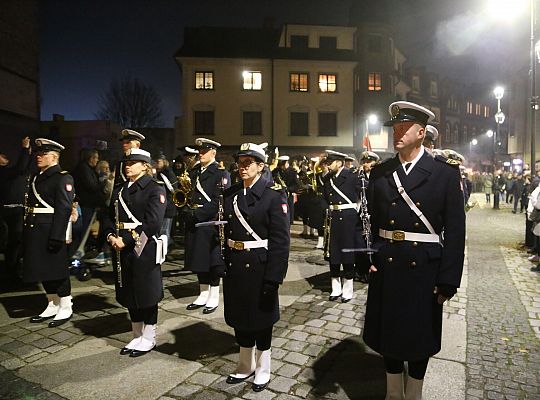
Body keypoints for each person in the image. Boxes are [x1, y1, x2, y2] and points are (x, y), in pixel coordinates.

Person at [363, 101, 466, 399]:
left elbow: (456, 231)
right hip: (388, 265)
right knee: (389, 334)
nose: (397, 133)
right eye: (395, 127)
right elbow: (369, 221)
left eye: (404, 128)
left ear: (421, 132)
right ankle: (393, 393)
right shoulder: (381, 172)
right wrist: (367, 256)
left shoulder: (444, 174)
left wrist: (449, 278)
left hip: (425, 267)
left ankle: (415, 393)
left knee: (420, 335)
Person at [223, 142, 290, 392]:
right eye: (240, 163)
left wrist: (274, 277)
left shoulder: (274, 195)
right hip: (235, 264)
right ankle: (244, 365)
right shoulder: (230, 195)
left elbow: (281, 241)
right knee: (240, 318)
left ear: (261, 166)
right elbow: (223, 232)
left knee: (261, 321)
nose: (242, 167)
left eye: (248, 163)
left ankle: (263, 368)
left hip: (260, 266)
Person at [103, 148, 167, 357]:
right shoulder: (120, 189)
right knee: (129, 291)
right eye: (126, 162)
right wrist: (111, 236)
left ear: (145, 166)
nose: (127, 165)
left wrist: (127, 239)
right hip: (119, 246)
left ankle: (149, 337)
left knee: (146, 292)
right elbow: (108, 217)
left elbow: (153, 223)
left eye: (133, 162)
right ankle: (136, 335)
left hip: (143, 247)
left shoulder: (154, 189)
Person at [24, 139, 75, 327]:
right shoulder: (38, 176)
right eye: (38, 153)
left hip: (51, 229)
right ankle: (52, 303)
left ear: (54, 157)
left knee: (57, 270)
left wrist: (57, 235)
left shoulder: (63, 177)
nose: (38, 156)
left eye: (43, 154)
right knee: (42, 269)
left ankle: (66, 305)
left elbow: (63, 208)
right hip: (36, 228)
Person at [184, 138, 230, 314]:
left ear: (213, 153)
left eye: (204, 151)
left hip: (210, 222)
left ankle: (213, 295)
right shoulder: (194, 171)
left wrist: (198, 213)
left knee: (212, 261)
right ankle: (202, 293)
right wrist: (187, 209)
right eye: (199, 151)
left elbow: (221, 200)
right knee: (198, 259)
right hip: (195, 220)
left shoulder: (220, 173)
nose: (200, 154)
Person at [322, 150, 363, 303]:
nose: (327, 166)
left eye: (329, 163)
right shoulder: (327, 179)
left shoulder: (352, 177)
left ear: (339, 163)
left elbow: (363, 196)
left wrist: (357, 214)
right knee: (333, 255)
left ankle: (348, 289)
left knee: (347, 255)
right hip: (332, 219)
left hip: (348, 220)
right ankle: (335, 287)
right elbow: (324, 199)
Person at [0, 136, 32, 280]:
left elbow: (23, 168)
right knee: (14, 240)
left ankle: (13, 266)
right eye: (2, 156)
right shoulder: (3, 172)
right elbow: (20, 168)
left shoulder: (9, 172)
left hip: (16, 210)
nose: (4, 158)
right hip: (8, 211)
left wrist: (28, 153)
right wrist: (24, 149)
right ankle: (11, 270)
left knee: (17, 240)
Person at [154, 152, 177, 247]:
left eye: (158, 161)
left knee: (164, 232)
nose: (156, 164)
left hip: (167, 207)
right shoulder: (158, 173)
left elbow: (172, 190)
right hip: (160, 207)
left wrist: (166, 205)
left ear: (164, 162)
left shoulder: (167, 173)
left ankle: (164, 252)